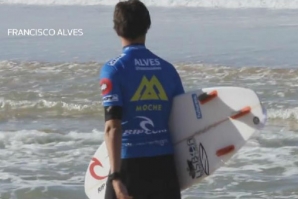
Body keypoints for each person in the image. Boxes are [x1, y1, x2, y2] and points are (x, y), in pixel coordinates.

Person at [98, 0, 185, 198]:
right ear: (147, 26)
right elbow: (182, 120)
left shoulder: (113, 69)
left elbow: (113, 127)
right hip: (165, 168)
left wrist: (116, 176)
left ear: (116, 29)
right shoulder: (168, 69)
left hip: (129, 167)